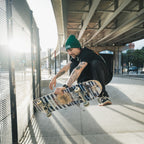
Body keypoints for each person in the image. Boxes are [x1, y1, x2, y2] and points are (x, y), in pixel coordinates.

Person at [49, 35, 112, 106]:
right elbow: (66, 67)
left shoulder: (86, 53)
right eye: (67, 51)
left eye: (71, 50)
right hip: (92, 77)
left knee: (94, 63)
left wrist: (66, 86)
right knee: (73, 64)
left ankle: (103, 96)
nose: (69, 53)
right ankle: (83, 88)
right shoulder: (75, 56)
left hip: (104, 76)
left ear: (78, 47)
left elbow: (78, 69)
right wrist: (55, 77)